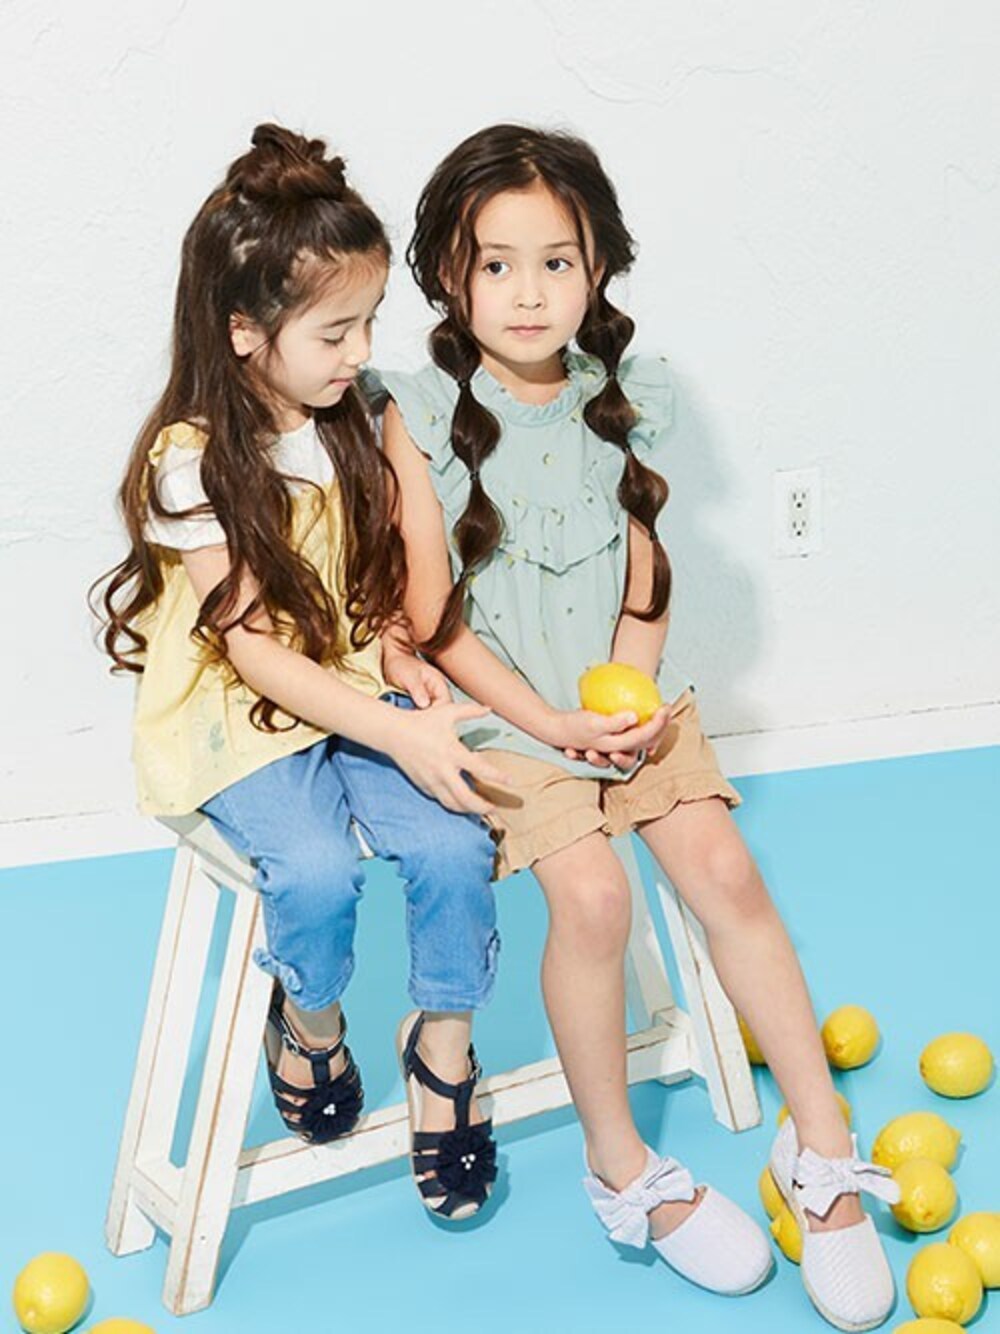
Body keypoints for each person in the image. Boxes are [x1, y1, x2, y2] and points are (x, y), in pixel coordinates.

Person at [380, 123, 900, 1322]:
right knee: (596, 896)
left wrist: (625, 693)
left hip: (617, 699)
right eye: (496, 263)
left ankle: (820, 1149)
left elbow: (645, 572)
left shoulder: (628, 395)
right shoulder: (417, 411)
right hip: (503, 716)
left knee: (724, 866)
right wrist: (553, 726)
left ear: (598, 267)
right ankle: (622, 1168)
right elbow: (434, 617)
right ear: (449, 273)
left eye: (556, 262)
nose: (528, 293)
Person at [92, 124, 506, 1221]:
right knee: (316, 871)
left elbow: (383, 587)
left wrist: (399, 651)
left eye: (370, 322)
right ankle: (311, 1020)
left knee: (455, 838)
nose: (362, 351)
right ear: (244, 332)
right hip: (246, 704)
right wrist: (399, 728)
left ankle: (444, 1050)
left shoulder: (351, 420)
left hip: (349, 676)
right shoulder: (192, 462)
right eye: (335, 331)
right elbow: (257, 650)